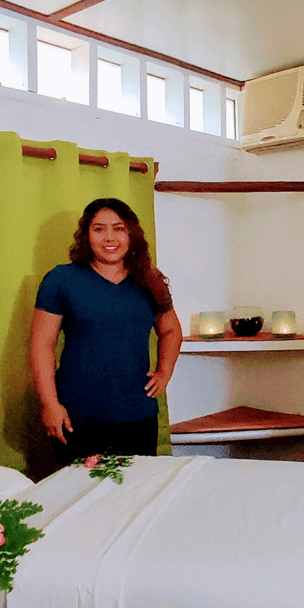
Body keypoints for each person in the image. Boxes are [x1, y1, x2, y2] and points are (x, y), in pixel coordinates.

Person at [30, 198, 182, 462]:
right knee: (83, 495)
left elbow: (171, 330)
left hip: (138, 415)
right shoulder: (61, 280)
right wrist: (50, 404)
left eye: (118, 228)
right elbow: (41, 344)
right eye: (99, 229)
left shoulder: (149, 279)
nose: (109, 237)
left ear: (131, 234)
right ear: (86, 236)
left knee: (135, 495)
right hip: (76, 416)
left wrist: (164, 372)